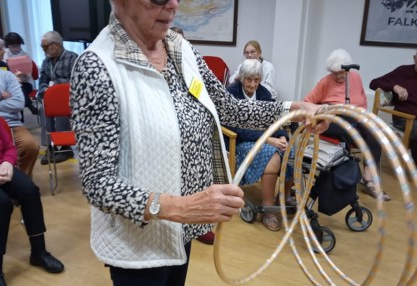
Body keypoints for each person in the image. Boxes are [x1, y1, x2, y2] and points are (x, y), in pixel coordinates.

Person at [69, 1, 327, 285]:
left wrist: (293, 109)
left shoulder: (180, 48)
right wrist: (178, 207)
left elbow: (230, 108)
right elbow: (97, 184)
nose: (173, 4)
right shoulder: (96, 67)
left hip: (184, 229)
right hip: (140, 243)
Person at [0, 107, 64, 286]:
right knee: (1, 203)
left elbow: (8, 146)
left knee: (30, 192)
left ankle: (39, 252)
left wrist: (7, 162)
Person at [304, 48, 391, 201]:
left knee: (375, 133)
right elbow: (307, 102)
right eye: (335, 73)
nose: (339, 76)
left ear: (349, 69)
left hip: (355, 118)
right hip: (332, 122)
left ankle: (369, 179)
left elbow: (363, 99)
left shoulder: (355, 77)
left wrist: (364, 118)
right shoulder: (325, 82)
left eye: (342, 72)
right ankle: (346, 181)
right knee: (350, 131)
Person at [226, 59, 295, 231]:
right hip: (240, 141)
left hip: (265, 138)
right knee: (271, 155)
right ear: (241, 78)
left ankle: (283, 196)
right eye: (249, 80)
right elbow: (236, 129)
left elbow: (276, 121)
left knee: (291, 150)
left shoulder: (264, 93)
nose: (253, 84)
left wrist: (283, 136)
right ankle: (268, 209)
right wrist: (267, 139)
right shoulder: (231, 93)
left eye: (256, 80)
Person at [0, 37, 39, 178]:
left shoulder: (7, 76)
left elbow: (18, 103)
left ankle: (20, 182)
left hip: (12, 125)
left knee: (31, 146)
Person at [369, 50, 417, 164]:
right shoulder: (403, 71)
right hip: (404, 119)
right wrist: (395, 86)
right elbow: (374, 83)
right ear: (415, 58)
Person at [37, 31, 78, 165]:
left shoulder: (72, 58)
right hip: (50, 97)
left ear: (55, 45)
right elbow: (42, 80)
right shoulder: (46, 61)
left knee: (61, 110)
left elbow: (76, 81)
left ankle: (66, 148)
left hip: (68, 98)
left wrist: (55, 87)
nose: (43, 49)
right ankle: (50, 147)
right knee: (43, 109)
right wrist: (45, 89)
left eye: (45, 46)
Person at [3, 32, 38, 116]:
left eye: (18, 46)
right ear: (8, 46)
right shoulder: (4, 55)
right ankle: (30, 106)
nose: (17, 48)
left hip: (25, 83)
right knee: (17, 88)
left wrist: (24, 76)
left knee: (19, 88)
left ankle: (22, 116)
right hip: (9, 84)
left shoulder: (25, 55)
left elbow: (30, 73)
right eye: (14, 46)